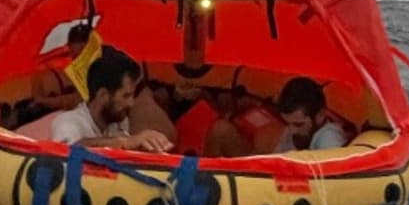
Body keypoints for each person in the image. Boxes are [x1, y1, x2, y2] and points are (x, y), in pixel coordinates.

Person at [51, 46, 173, 152]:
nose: (131, 103)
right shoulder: (67, 122)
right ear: (103, 95)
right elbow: (67, 152)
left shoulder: (119, 122)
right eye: (126, 96)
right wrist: (125, 142)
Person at [203, 77, 347, 156]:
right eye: (288, 123)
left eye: (298, 124)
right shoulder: (293, 131)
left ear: (320, 115)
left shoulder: (329, 139)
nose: (292, 130)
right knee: (220, 129)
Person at [18, 23, 91, 124]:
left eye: (80, 54)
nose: (77, 59)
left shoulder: (97, 69)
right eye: (74, 55)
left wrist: (43, 100)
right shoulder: (44, 72)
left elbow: (76, 99)